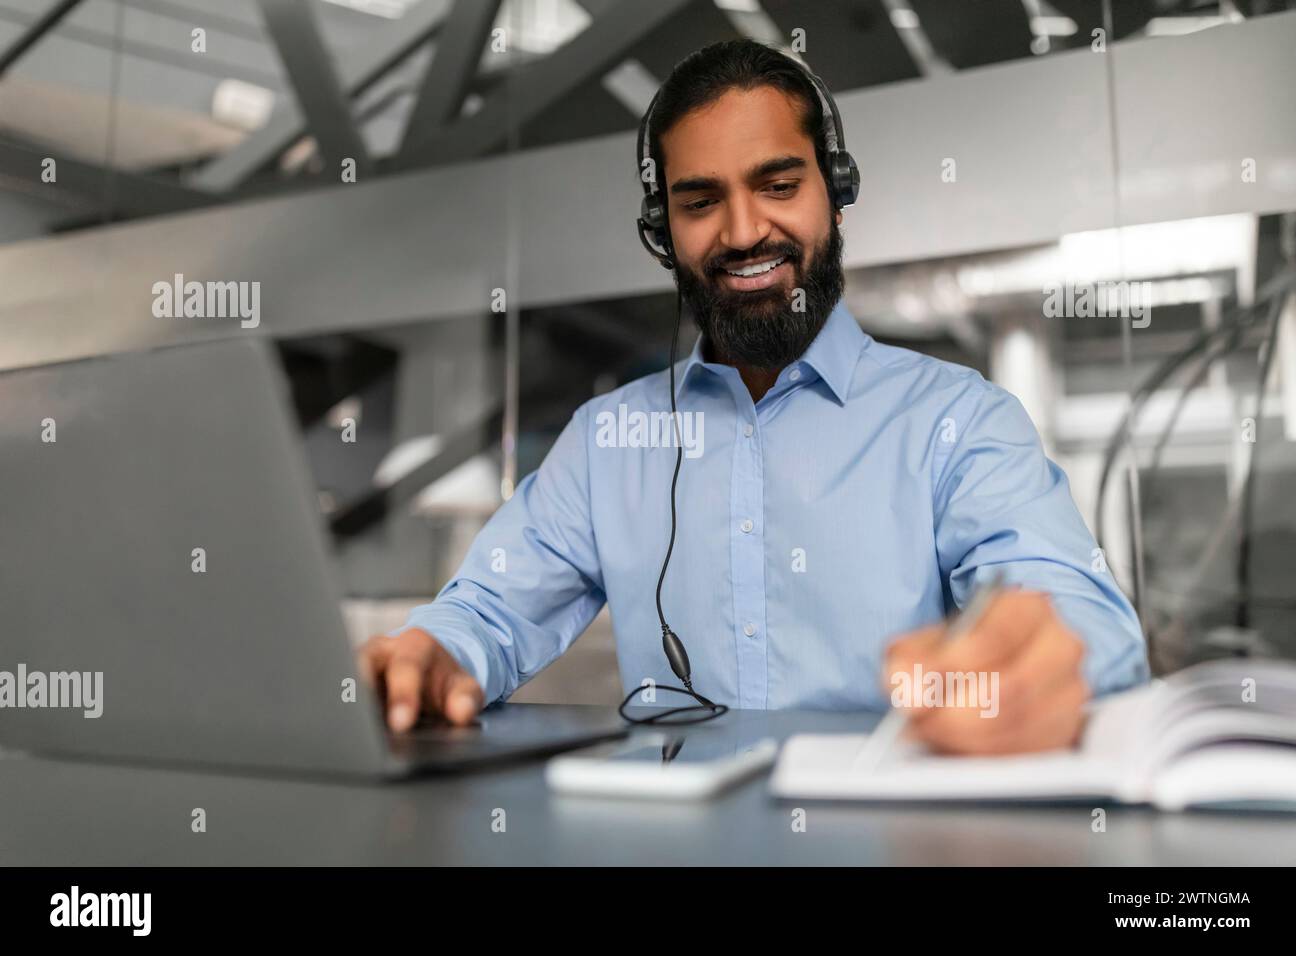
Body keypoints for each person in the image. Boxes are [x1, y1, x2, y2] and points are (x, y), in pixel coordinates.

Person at [359, 39, 1149, 755]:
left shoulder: (957, 422)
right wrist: (436, 653)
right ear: (662, 231)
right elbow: (488, 610)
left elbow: (1079, 619)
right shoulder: (608, 442)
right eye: (700, 202)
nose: (742, 232)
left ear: (834, 193)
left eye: (778, 184)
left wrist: (1045, 660)